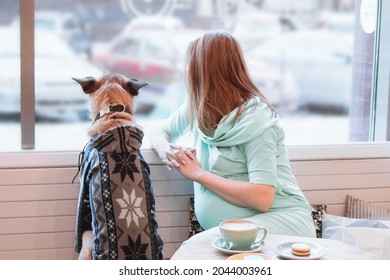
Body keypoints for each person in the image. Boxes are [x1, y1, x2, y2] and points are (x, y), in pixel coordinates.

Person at [151, 30, 316, 238]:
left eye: (191, 65)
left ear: (203, 71)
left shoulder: (257, 121)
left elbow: (263, 197)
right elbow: (160, 131)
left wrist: (198, 174)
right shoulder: (198, 107)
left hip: (282, 219)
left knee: (195, 247)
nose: (186, 72)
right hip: (239, 229)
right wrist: (164, 149)